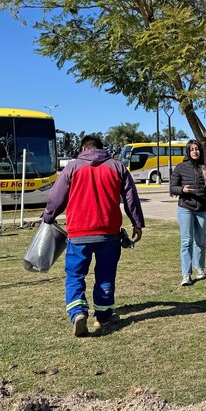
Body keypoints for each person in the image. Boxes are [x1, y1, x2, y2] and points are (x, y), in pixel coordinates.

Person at [41, 135, 144, 337]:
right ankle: (103, 316)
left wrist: (48, 216)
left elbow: (56, 196)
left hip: (78, 233)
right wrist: (137, 223)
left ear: (83, 149)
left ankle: (78, 312)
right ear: (101, 148)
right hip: (109, 233)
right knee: (105, 275)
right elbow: (131, 198)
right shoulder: (117, 167)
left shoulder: (72, 167)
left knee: (75, 275)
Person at [170, 139, 206, 286]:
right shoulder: (180, 167)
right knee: (186, 241)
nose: (195, 152)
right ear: (188, 151)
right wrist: (182, 190)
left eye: (197, 149)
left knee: (200, 240)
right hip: (185, 207)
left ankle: (200, 268)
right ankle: (186, 274)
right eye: (192, 149)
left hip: (204, 209)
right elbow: (172, 188)